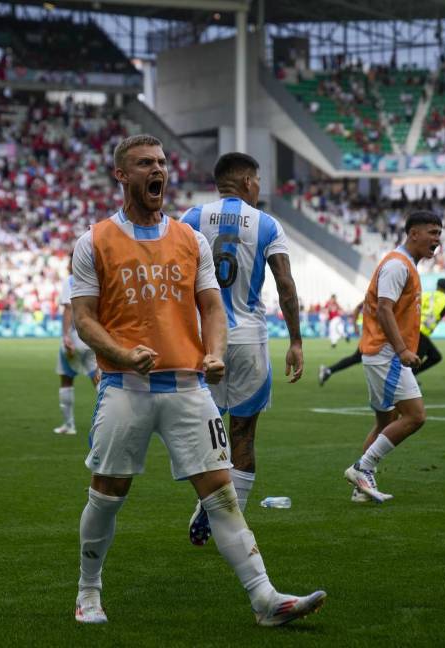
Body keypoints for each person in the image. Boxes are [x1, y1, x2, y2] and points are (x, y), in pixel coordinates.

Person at [69, 134, 324, 626]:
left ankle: (265, 598)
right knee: (107, 491)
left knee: (221, 491)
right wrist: (121, 352)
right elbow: (83, 318)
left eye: (161, 163)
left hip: (188, 386)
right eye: (144, 163)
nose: (156, 170)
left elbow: (212, 306)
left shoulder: (190, 238)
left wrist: (214, 352)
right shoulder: (95, 239)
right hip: (126, 388)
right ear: (122, 175)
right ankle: (88, 591)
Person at [180, 152, 304, 544]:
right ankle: (232, 523)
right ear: (248, 181)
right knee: (244, 436)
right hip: (250, 341)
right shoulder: (267, 224)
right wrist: (296, 341)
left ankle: (208, 504)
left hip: (204, 343)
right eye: (258, 180)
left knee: (209, 434)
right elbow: (285, 284)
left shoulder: (190, 219)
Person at [342, 211, 441, 503]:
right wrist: (402, 350)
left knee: (385, 421)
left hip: (379, 352)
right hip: (386, 354)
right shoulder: (398, 266)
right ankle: (362, 468)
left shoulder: (403, 263)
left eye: (439, 234)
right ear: (413, 234)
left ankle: (361, 488)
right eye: (432, 232)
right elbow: (385, 309)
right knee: (415, 416)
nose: (436, 240)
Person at [54, 265, 100, 435]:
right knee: (98, 378)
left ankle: (69, 425)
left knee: (66, 379)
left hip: (75, 335)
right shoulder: (97, 279)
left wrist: (65, 335)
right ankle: (109, 422)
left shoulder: (71, 280)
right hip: (94, 336)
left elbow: (68, 308)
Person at [416, 277, 445, 374]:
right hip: (422, 333)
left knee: (416, 360)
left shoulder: (425, 295)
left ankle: (411, 376)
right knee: (433, 357)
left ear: (437, 286)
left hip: (413, 329)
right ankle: (411, 377)